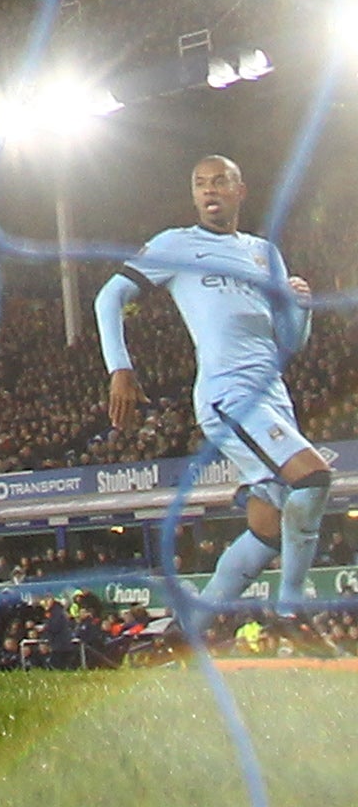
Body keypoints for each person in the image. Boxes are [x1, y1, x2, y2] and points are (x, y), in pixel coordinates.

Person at [95, 154, 335, 650]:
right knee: (312, 478)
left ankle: (185, 636)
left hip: (273, 396)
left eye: (220, 182)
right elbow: (108, 298)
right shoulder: (176, 245)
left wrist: (301, 308)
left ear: (239, 191)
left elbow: (289, 342)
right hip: (228, 393)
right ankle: (291, 611)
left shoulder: (263, 253)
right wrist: (120, 366)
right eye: (200, 183)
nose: (210, 191)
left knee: (268, 528)